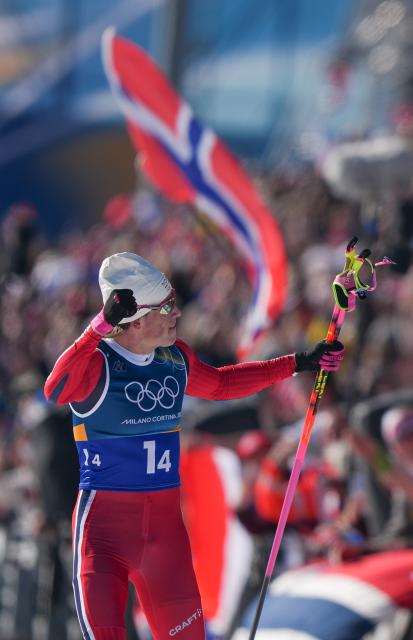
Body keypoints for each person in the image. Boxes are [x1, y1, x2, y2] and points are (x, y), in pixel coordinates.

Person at [44, 251, 344, 640]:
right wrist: (99, 326)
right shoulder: (97, 363)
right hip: (104, 539)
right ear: (134, 318)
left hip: (165, 540)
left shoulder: (174, 358)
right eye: (167, 306)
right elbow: (55, 389)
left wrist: (299, 362)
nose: (177, 313)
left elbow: (221, 384)